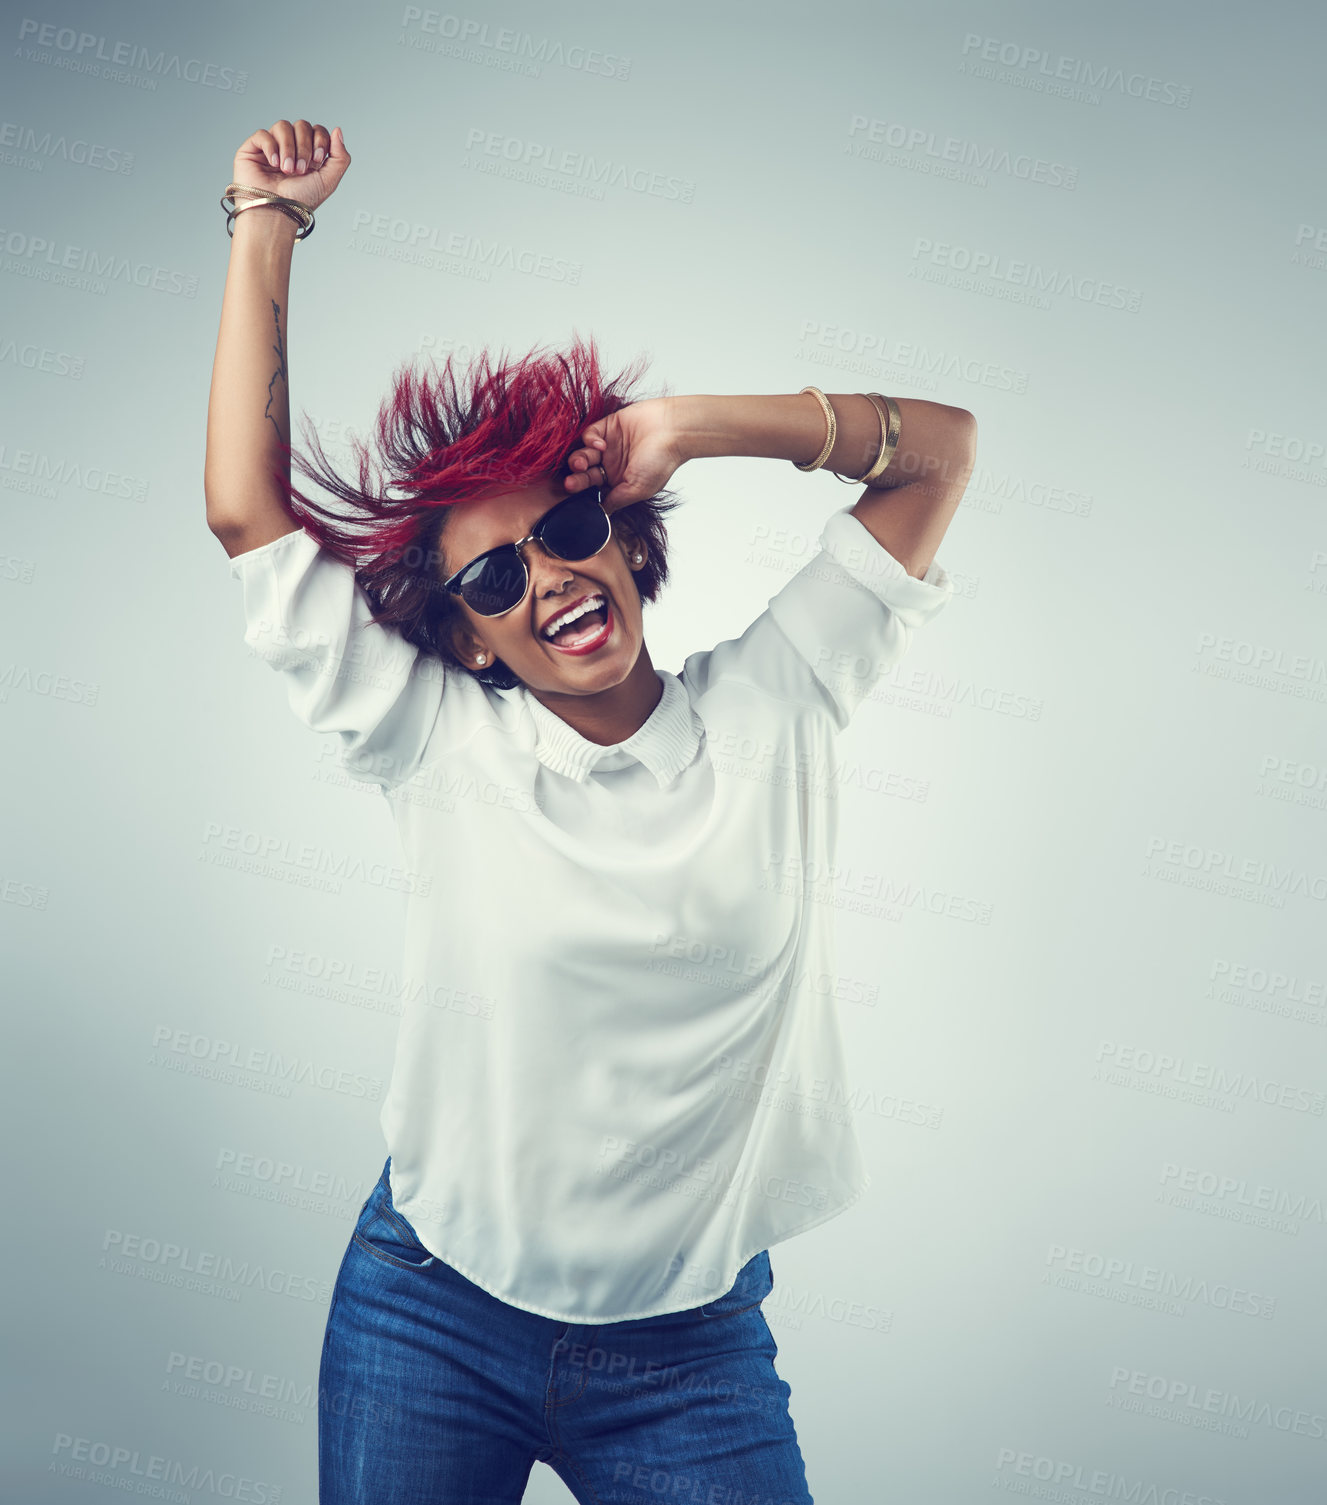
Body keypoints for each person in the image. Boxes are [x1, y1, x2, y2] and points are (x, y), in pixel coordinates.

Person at [205, 119, 977, 1505]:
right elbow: (247, 518)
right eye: (493, 581)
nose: (545, 582)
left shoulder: (781, 695)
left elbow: (940, 456)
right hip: (430, 1312)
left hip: (688, 1349)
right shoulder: (430, 735)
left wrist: (690, 425)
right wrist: (268, 217)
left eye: (563, 533)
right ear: (471, 641)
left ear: (621, 533)